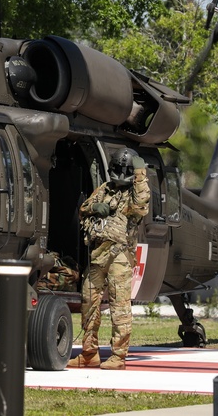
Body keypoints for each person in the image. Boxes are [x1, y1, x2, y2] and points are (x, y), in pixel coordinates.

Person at [67, 148, 150, 370]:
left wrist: (141, 173)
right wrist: (94, 207)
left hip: (119, 256)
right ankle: (89, 353)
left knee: (119, 306)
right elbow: (83, 209)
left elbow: (141, 203)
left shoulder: (134, 193)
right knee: (89, 302)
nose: (121, 174)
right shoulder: (105, 189)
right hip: (98, 254)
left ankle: (118, 355)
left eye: (127, 170)